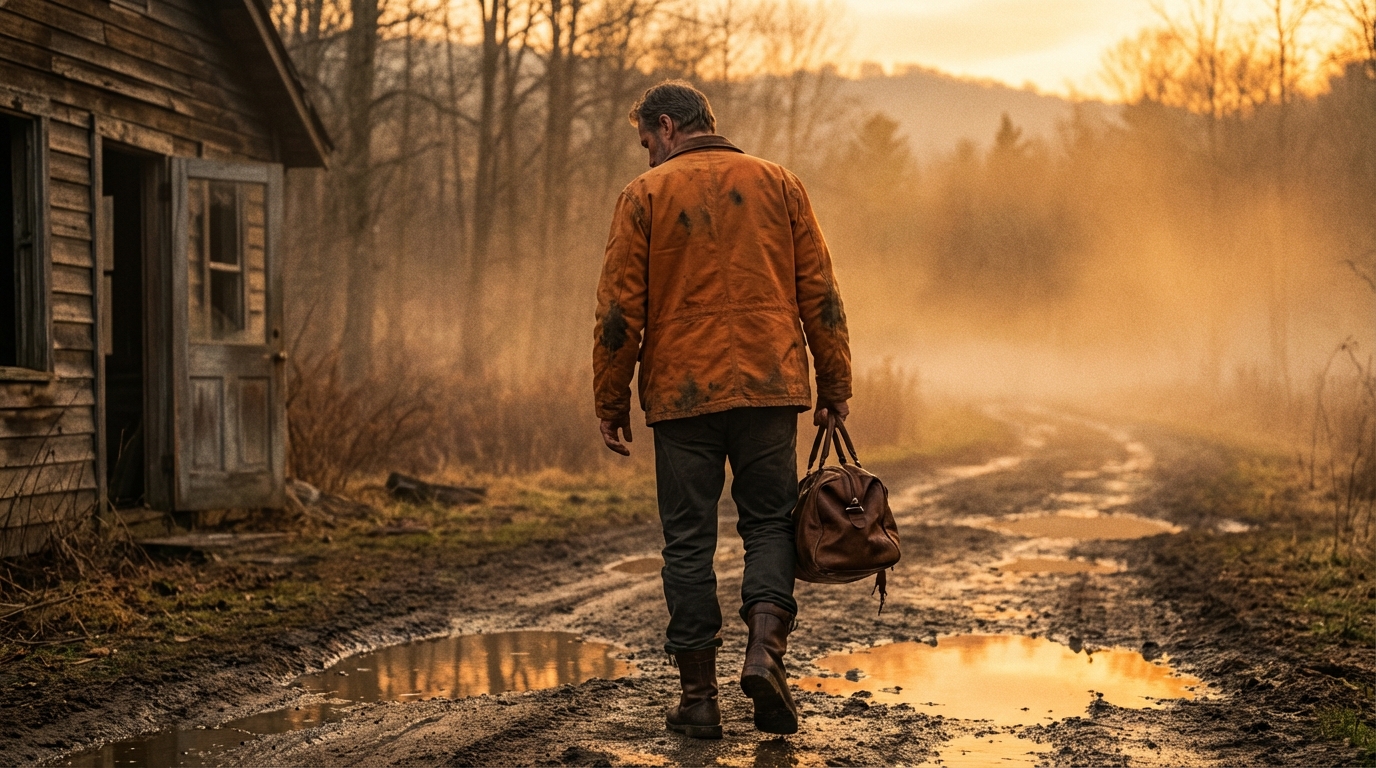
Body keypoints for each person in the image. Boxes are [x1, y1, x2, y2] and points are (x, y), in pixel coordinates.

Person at [591, 80, 852, 739]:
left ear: (668, 126)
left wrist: (611, 398)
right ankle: (765, 656)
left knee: (688, 541)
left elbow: (619, 310)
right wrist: (834, 385)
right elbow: (821, 291)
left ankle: (699, 699)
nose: (647, 152)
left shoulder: (644, 195)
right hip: (769, 383)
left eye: (646, 140)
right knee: (768, 525)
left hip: (683, 395)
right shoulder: (779, 184)